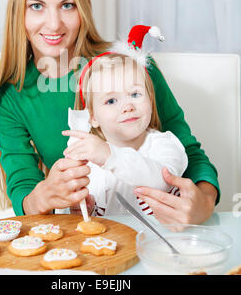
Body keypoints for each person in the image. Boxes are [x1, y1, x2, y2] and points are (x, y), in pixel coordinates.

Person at [0, 0, 220, 225]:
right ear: (17, 13)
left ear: (82, 10)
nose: (54, 23)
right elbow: (24, 188)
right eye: (37, 6)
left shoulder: (127, 64)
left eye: (67, 5)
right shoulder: (13, 98)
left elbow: (187, 148)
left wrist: (204, 201)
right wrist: (45, 195)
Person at [62, 28, 189, 215]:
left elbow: (162, 181)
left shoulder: (164, 145)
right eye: (111, 100)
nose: (128, 106)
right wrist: (82, 209)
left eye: (135, 94)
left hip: (159, 240)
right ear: (93, 117)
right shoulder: (90, 162)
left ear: (150, 100)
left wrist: (109, 156)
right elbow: (86, 217)